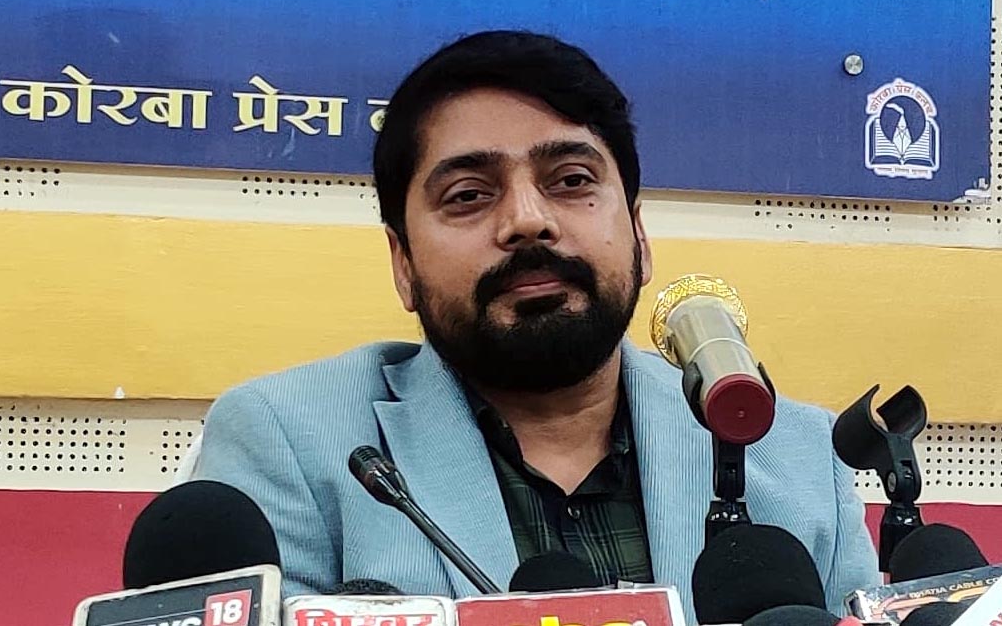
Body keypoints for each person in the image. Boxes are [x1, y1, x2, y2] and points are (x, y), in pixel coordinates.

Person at [191, 30, 879, 619]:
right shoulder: (287, 441)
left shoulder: (793, 455)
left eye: (572, 180)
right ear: (403, 263)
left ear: (640, 236)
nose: (527, 219)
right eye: (468, 194)